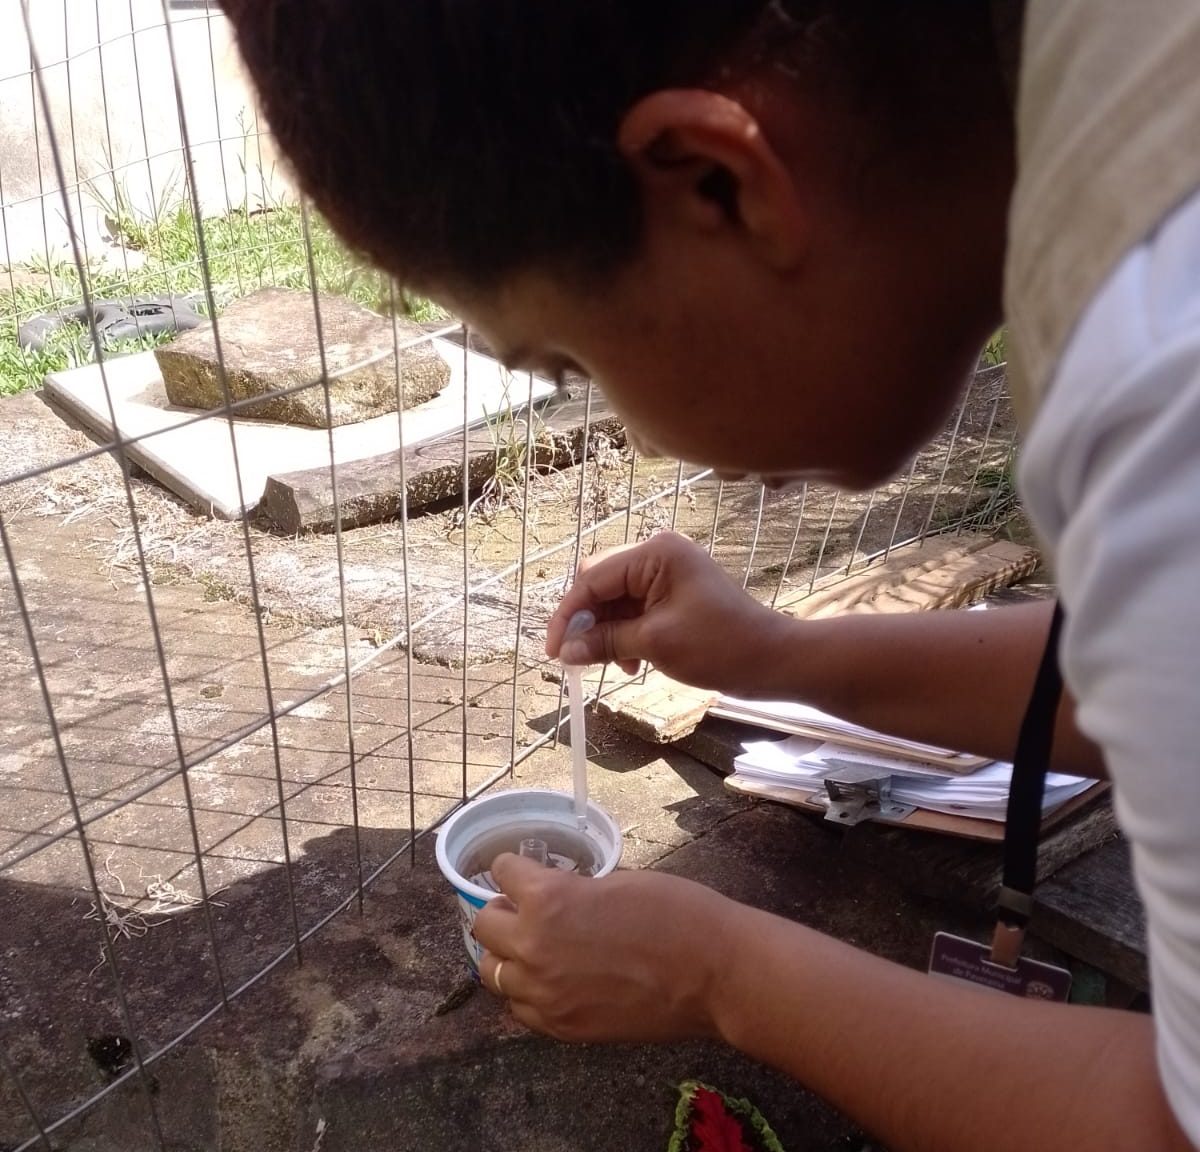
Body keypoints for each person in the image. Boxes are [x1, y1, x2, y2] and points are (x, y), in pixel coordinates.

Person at [220, 2, 1200, 1148]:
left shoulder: (1155, 379)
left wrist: (724, 976)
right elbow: (1155, 679)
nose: (637, 435)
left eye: (572, 357)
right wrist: (779, 656)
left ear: (721, 186)